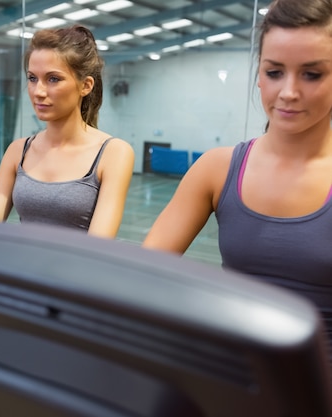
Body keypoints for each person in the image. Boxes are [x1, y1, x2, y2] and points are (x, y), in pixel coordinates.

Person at [143, 0, 332, 357]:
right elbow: (143, 272)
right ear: (259, 75)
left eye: (312, 74)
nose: (289, 92)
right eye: (275, 72)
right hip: (230, 382)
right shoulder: (217, 169)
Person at [0, 25, 134, 238]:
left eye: (53, 79)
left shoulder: (113, 153)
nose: (38, 91)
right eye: (32, 78)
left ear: (86, 86)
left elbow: (98, 247)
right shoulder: (18, 151)